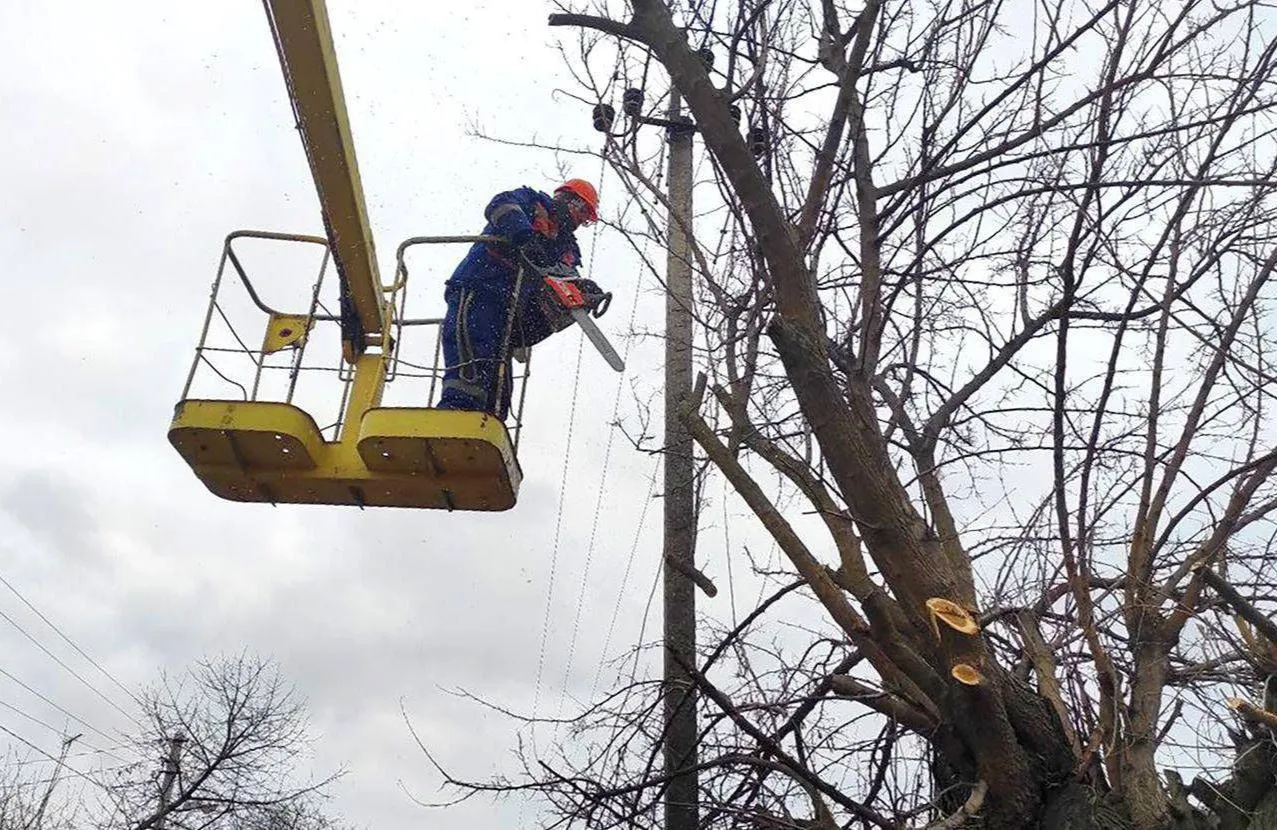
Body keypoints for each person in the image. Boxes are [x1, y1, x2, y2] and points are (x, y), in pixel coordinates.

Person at [436, 178, 603, 419]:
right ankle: (453, 421)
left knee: (498, 388)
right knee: (471, 367)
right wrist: (524, 236)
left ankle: (487, 429)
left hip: (511, 310)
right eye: (583, 214)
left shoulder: (566, 247)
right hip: (480, 287)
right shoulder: (531, 203)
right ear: (572, 201)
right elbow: (500, 205)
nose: (581, 222)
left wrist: (582, 292)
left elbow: (566, 278)